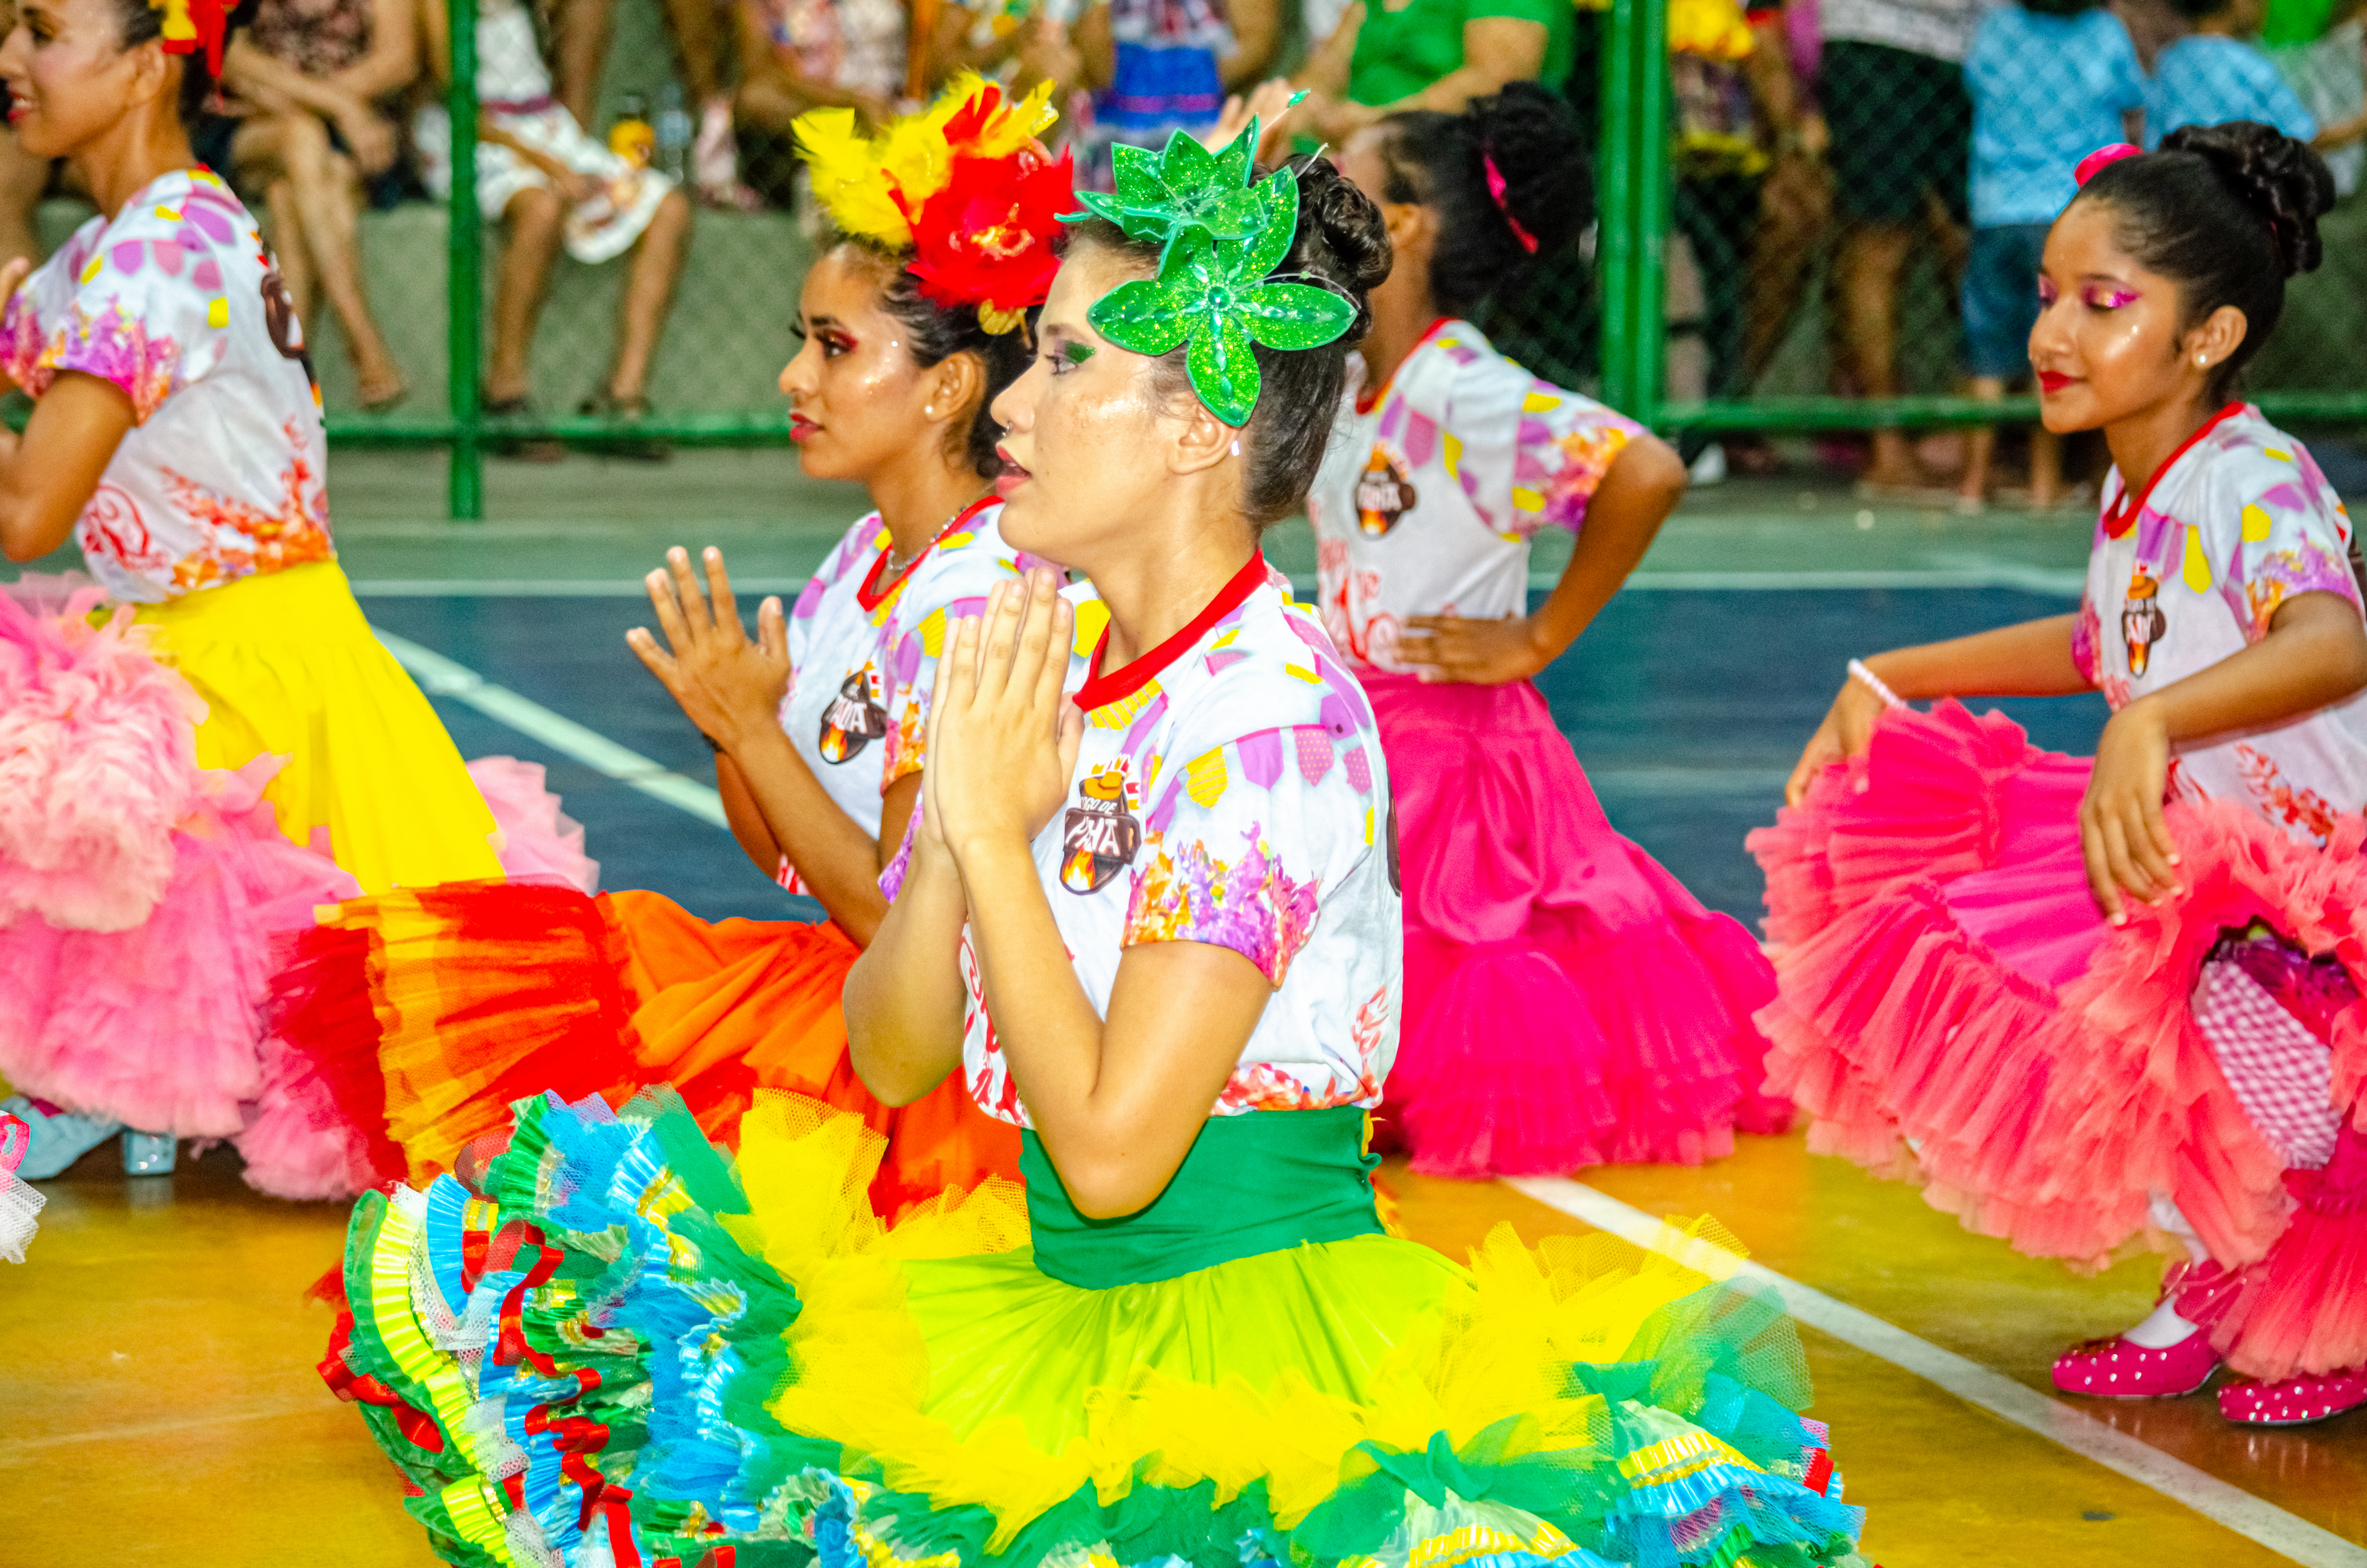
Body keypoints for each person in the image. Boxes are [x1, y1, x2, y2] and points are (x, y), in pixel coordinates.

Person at [319, 119, 1875, 1568]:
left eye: (1065, 361)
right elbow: (898, 1055)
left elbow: (1118, 1157)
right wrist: (950, 841)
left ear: (1197, 424)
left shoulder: (1264, 723)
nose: (1009, 400)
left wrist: (987, 838)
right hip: (1043, 1297)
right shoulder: (1047, 648)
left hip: (1249, 1368)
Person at [278, 77, 1066, 1213]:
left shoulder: (979, 601)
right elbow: (790, 854)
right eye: (803, 340)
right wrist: (729, 726)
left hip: (931, 1060)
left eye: (836, 348)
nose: (795, 377)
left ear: (946, 385)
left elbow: (905, 934)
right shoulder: (866, 561)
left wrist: (752, 726)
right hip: (839, 985)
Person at [1750, 124, 2367, 1426]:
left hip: (2322, 896)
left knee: (2232, 1073)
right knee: (2094, 997)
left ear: (2204, 338)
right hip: (2229, 895)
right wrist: (1896, 672)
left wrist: (2145, 732)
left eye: (2103, 304)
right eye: (2044, 296)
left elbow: (2325, 641)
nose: (2052, 333)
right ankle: (2233, 1266)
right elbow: (2102, 644)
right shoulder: (2133, 489)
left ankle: (2297, 1286)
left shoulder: (2250, 479)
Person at [0, 0, 584, 1192]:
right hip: (212, 635)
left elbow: (23, 516)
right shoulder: (139, 238)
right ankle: (113, 1079)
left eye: (43, 29)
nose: (11, 60)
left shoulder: (158, 253)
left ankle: (97, 1079)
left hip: (241, 665)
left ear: (145, 65)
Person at [1306, 84, 1783, 1177]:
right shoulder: (1348, 373)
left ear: (1408, 224)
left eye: (1343, 176)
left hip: (1449, 745)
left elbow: (1644, 467)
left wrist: (1536, 637)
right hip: (1360, 722)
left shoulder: (1461, 387)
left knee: (1464, 946)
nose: (1314, 189)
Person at [413, 0, 692, 437]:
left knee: (668, 207)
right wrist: (549, 167)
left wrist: (559, 157)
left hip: (547, 127)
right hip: (475, 135)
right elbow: (462, 104)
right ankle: (504, 390)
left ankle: (623, 397)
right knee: (541, 208)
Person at [1955, 0, 2147, 509]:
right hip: (2073, 214)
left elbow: (1973, 83)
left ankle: (1974, 484)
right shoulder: (2104, 32)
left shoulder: (1996, 30)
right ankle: (2044, 482)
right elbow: (2131, 96)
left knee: (1989, 355)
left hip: (1998, 209)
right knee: (2057, 346)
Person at [206, 0, 419, 410]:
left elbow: (399, 60)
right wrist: (336, 105)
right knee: (302, 137)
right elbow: (231, 55)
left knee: (292, 194)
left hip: (347, 135)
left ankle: (279, 383)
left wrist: (304, 99)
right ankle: (363, 341)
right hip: (261, 127)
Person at [1816, 0, 1983, 495]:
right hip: (1876, 35)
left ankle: (1973, 436)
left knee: (1973, 244)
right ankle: (1884, 442)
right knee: (1880, 239)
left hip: (1973, 47)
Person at [1287, 0, 1571, 146]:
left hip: (1451, 186)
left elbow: (1495, 82)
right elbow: (1329, 64)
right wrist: (1305, 105)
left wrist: (1379, 124)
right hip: (1358, 168)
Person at [731, 0, 909, 208]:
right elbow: (759, 70)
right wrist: (855, 101)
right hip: (810, 105)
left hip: (892, 104)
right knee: (757, 99)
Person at [2151, 0, 2321, 146]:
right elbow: (2301, 139)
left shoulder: (2168, 62)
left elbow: (2154, 143)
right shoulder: (2245, 63)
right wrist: (2347, 131)